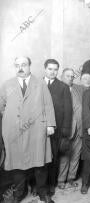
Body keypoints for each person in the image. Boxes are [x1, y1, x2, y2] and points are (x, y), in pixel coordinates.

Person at [0, 56, 56, 203]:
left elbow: (48, 105)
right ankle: (19, 193)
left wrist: (50, 124)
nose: (20, 68)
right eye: (17, 65)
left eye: (24, 64)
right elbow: (1, 106)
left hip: (37, 130)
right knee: (17, 165)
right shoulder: (7, 85)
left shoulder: (40, 84)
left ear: (30, 66)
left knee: (40, 163)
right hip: (15, 131)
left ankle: (43, 192)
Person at [44, 59, 73, 195]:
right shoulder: (37, 85)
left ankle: (51, 184)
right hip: (38, 129)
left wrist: (65, 131)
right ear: (45, 69)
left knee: (53, 157)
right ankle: (37, 185)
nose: (52, 72)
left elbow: (68, 110)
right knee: (38, 158)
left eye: (55, 69)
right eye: (50, 69)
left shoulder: (63, 87)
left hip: (56, 129)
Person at [57, 68, 85, 189]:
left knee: (76, 155)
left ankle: (71, 178)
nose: (71, 78)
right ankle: (61, 180)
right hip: (66, 129)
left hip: (80, 128)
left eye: (72, 76)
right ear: (62, 76)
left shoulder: (78, 88)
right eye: (68, 76)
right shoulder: (58, 89)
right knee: (65, 156)